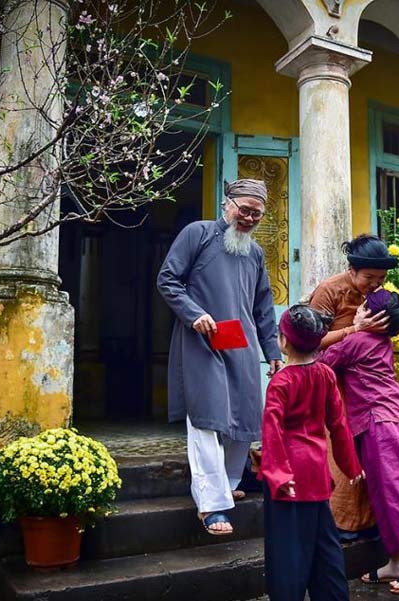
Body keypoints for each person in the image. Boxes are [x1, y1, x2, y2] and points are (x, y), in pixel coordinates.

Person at [157, 178, 283, 536]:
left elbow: (263, 306)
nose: (249, 219)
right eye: (244, 210)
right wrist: (193, 313)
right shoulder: (197, 234)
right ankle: (212, 505)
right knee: (206, 418)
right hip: (201, 340)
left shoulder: (255, 253)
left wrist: (271, 349)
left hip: (239, 344)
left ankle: (227, 482)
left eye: (256, 215)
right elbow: (168, 280)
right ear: (227, 204)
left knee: (245, 419)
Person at [319, 289, 399, 596]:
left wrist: (353, 327)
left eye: (364, 308)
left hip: (381, 421)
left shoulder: (358, 340)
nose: (358, 310)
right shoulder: (381, 340)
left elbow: (323, 361)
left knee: (396, 488)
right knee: (381, 493)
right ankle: (397, 560)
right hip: (380, 421)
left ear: (373, 317)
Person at [260, 304, 365, 601]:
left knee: (287, 552)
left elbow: (272, 432)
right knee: (324, 546)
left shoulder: (281, 381)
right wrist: (351, 466)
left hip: (289, 475)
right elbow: (339, 425)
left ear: (283, 342)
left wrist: (278, 475)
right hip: (317, 471)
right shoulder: (325, 375)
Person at [307, 234, 394, 540]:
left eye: (381, 279)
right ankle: (339, 523)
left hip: (365, 384)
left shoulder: (378, 294)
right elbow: (310, 341)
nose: (375, 285)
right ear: (352, 269)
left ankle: (365, 522)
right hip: (331, 380)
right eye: (369, 277)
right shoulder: (329, 291)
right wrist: (355, 329)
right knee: (338, 449)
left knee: (365, 452)